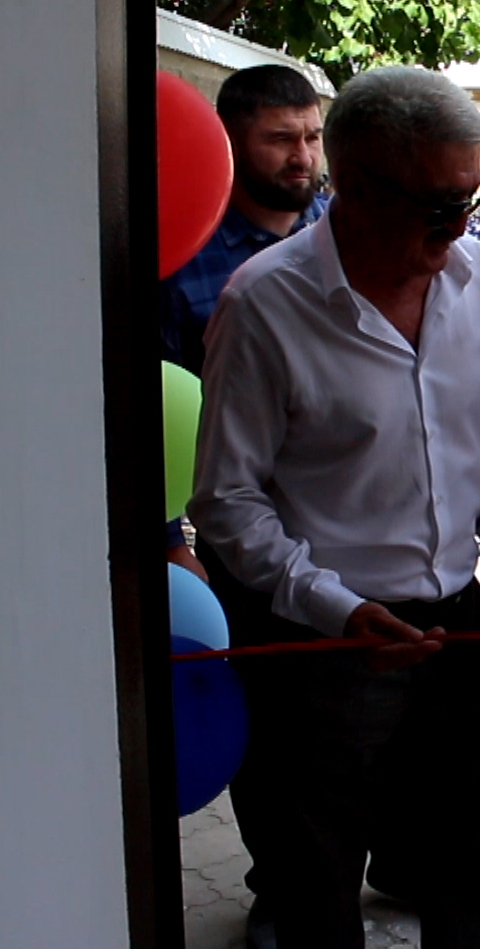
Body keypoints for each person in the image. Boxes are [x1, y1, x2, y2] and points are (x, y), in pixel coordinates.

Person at [187, 66, 480, 949]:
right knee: (316, 879)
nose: (461, 229)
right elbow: (227, 502)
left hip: (457, 626)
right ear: (353, 182)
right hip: (321, 648)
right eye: (439, 206)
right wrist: (336, 609)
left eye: (472, 200)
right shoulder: (264, 304)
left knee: (466, 870)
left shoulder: (475, 278)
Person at [161, 64, 327, 579]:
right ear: (229, 143)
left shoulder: (349, 239)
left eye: (312, 137)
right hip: (242, 534)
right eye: (280, 139)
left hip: (356, 521)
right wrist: (171, 543)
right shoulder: (186, 256)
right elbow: (157, 402)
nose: (302, 157)